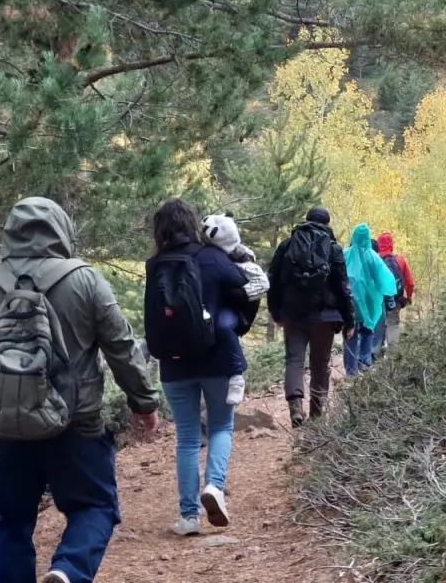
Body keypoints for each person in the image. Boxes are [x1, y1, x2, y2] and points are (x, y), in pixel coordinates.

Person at [0, 197, 160, 583]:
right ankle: (69, 569)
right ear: (61, 231)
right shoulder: (86, 280)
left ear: (10, 235)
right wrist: (143, 403)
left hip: (5, 428)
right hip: (76, 424)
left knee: (9, 523)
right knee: (95, 507)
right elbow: (121, 346)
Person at [146, 199, 250, 536]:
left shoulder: (155, 264)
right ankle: (215, 486)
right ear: (192, 223)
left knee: (187, 438)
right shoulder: (212, 257)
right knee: (221, 426)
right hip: (217, 358)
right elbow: (242, 286)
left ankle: (189, 516)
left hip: (174, 364)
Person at [267, 206, 354, 427]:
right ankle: (316, 413)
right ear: (327, 223)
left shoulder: (288, 245)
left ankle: (295, 406)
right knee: (320, 364)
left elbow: (273, 280)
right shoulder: (333, 249)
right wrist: (349, 320)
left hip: (293, 315)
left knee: (294, 360)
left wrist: (275, 311)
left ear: (306, 220)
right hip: (325, 318)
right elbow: (343, 287)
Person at [202, 213, 269, 405]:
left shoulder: (240, 257)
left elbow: (263, 283)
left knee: (223, 326)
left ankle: (236, 375)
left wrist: (241, 293)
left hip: (231, 308)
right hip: (213, 303)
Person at [342, 223, 397, 376]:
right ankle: (364, 364)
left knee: (350, 334)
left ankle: (351, 372)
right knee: (367, 331)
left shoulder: (345, 254)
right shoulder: (373, 257)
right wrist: (388, 296)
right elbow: (386, 280)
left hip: (350, 304)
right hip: (370, 303)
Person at [378, 231, 416, 355]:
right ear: (391, 244)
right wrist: (409, 296)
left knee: (377, 326)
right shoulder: (399, 259)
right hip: (395, 300)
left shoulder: (374, 259)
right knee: (392, 324)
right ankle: (393, 357)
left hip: (377, 300)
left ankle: (375, 356)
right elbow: (409, 282)